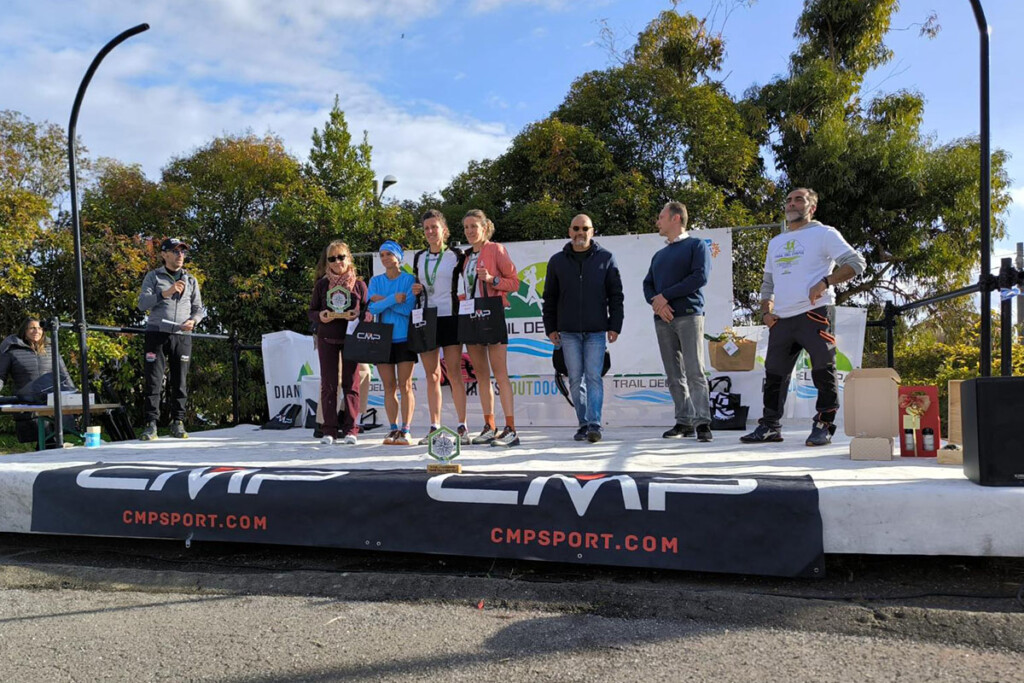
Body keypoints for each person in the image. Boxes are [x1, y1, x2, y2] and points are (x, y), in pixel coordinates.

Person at [741, 187, 866, 446]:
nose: (792, 204)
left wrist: (825, 282)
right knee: (774, 374)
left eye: (799, 200)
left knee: (823, 369)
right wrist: (766, 311)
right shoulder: (775, 242)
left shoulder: (824, 234)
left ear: (812, 207)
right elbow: (768, 283)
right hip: (782, 319)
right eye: (788, 200)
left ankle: (823, 424)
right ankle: (770, 426)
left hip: (814, 313)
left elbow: (856, 263)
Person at [542, 214, 624, 443]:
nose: (580, 232)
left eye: (585, 228)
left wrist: (615, 325)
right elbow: (549, 298)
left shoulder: (606, 258)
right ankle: (584, 424)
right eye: (576, 228)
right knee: (576, 380)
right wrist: (551, 328)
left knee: (594, 378)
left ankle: (595, 424)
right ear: (569, 231)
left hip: (597, 331)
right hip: (567, 332)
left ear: (592, 231)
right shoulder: (557, 261)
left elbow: (616, 296)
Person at [643, 201, 714, 443]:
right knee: (673, 374)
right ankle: (684, 421)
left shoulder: (696, 246)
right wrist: (658, 304)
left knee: (695, 371)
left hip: (689, 315)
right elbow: (647, 285)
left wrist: (666, 296)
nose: (657, 222)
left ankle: (703, 422)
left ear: (675, 218)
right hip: (663, 319)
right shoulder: (658, 255)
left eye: (661, 216)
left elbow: (699, 277)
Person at [411, 209, 470, 445]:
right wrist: (416, 288)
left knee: (455, 373)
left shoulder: (457, 255)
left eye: (434, 227)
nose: (430, 232)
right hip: (427, 318)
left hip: (450, 316)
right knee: (432, 375)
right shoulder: (419, 257)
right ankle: (434, 426)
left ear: (444, 230)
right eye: (426, 228)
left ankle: (462, 426)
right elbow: (420, 283)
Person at [136, 238, 206, 441]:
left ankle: (178, 422)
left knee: (180, 381)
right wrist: (166, 292)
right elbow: (142, 304)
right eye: (175, 252)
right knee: (154, 380)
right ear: (164, 254)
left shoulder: (191, 280)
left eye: (183, 252)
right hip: (156, 333)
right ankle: (151, 425)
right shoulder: (153, 276)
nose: (180, 256)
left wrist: (193, 321)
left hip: (182, 335)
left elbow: (198, 309)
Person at [461, 209, 520, 447]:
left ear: (485, 228)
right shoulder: (466, 256)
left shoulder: (496, 249)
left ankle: (511, 429)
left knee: (500, 373)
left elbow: (514, 282)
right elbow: (468, 286)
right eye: (466, 227)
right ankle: (489, 425)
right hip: (471, 315)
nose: (469, 231)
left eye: (474, 226)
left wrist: (493, 280)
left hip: (492, 314)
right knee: (481, 374)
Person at [308, 240, 367, 445]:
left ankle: (351, 429)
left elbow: (368, 312)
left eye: (341, 257)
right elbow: (312, 311)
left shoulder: (359, 284)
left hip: (351, 340)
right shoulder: (322, 284)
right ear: (327, 262)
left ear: (348, 258)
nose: (337, 262)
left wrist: (358, 314)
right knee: (328, 385)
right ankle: (329, 430)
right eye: (332, 258)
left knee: (352, 385)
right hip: (327, 339)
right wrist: (322, 315)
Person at [367, 240, 417, 445]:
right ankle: (393, 428)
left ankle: (406, 429)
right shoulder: (375, 280)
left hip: (405, 338)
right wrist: (393, 299)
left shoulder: (409, 279)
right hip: (382, 340)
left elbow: (407, 310)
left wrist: (383, 301)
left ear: (398, 256)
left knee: (405, 385)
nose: (385, 258)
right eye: (382, 255)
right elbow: (372, 309)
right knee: (388, 386)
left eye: (389, 254)